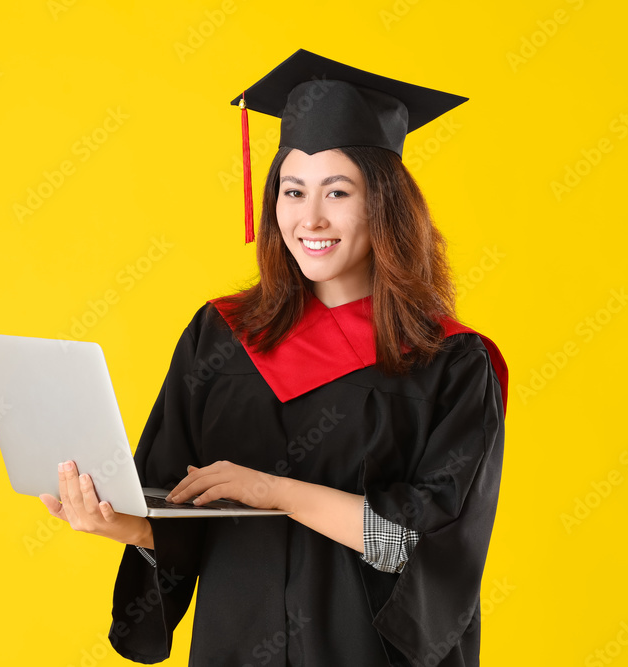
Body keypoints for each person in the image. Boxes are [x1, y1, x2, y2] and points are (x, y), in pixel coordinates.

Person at [40, 49, 509, 666]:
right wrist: (124, 525)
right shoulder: (220, 336)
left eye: (337, 191)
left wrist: (277, 492)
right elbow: (181, 514)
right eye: (293, 191)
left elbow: (415, 544)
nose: (309, 218)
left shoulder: (450, 362)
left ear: (384, 205)